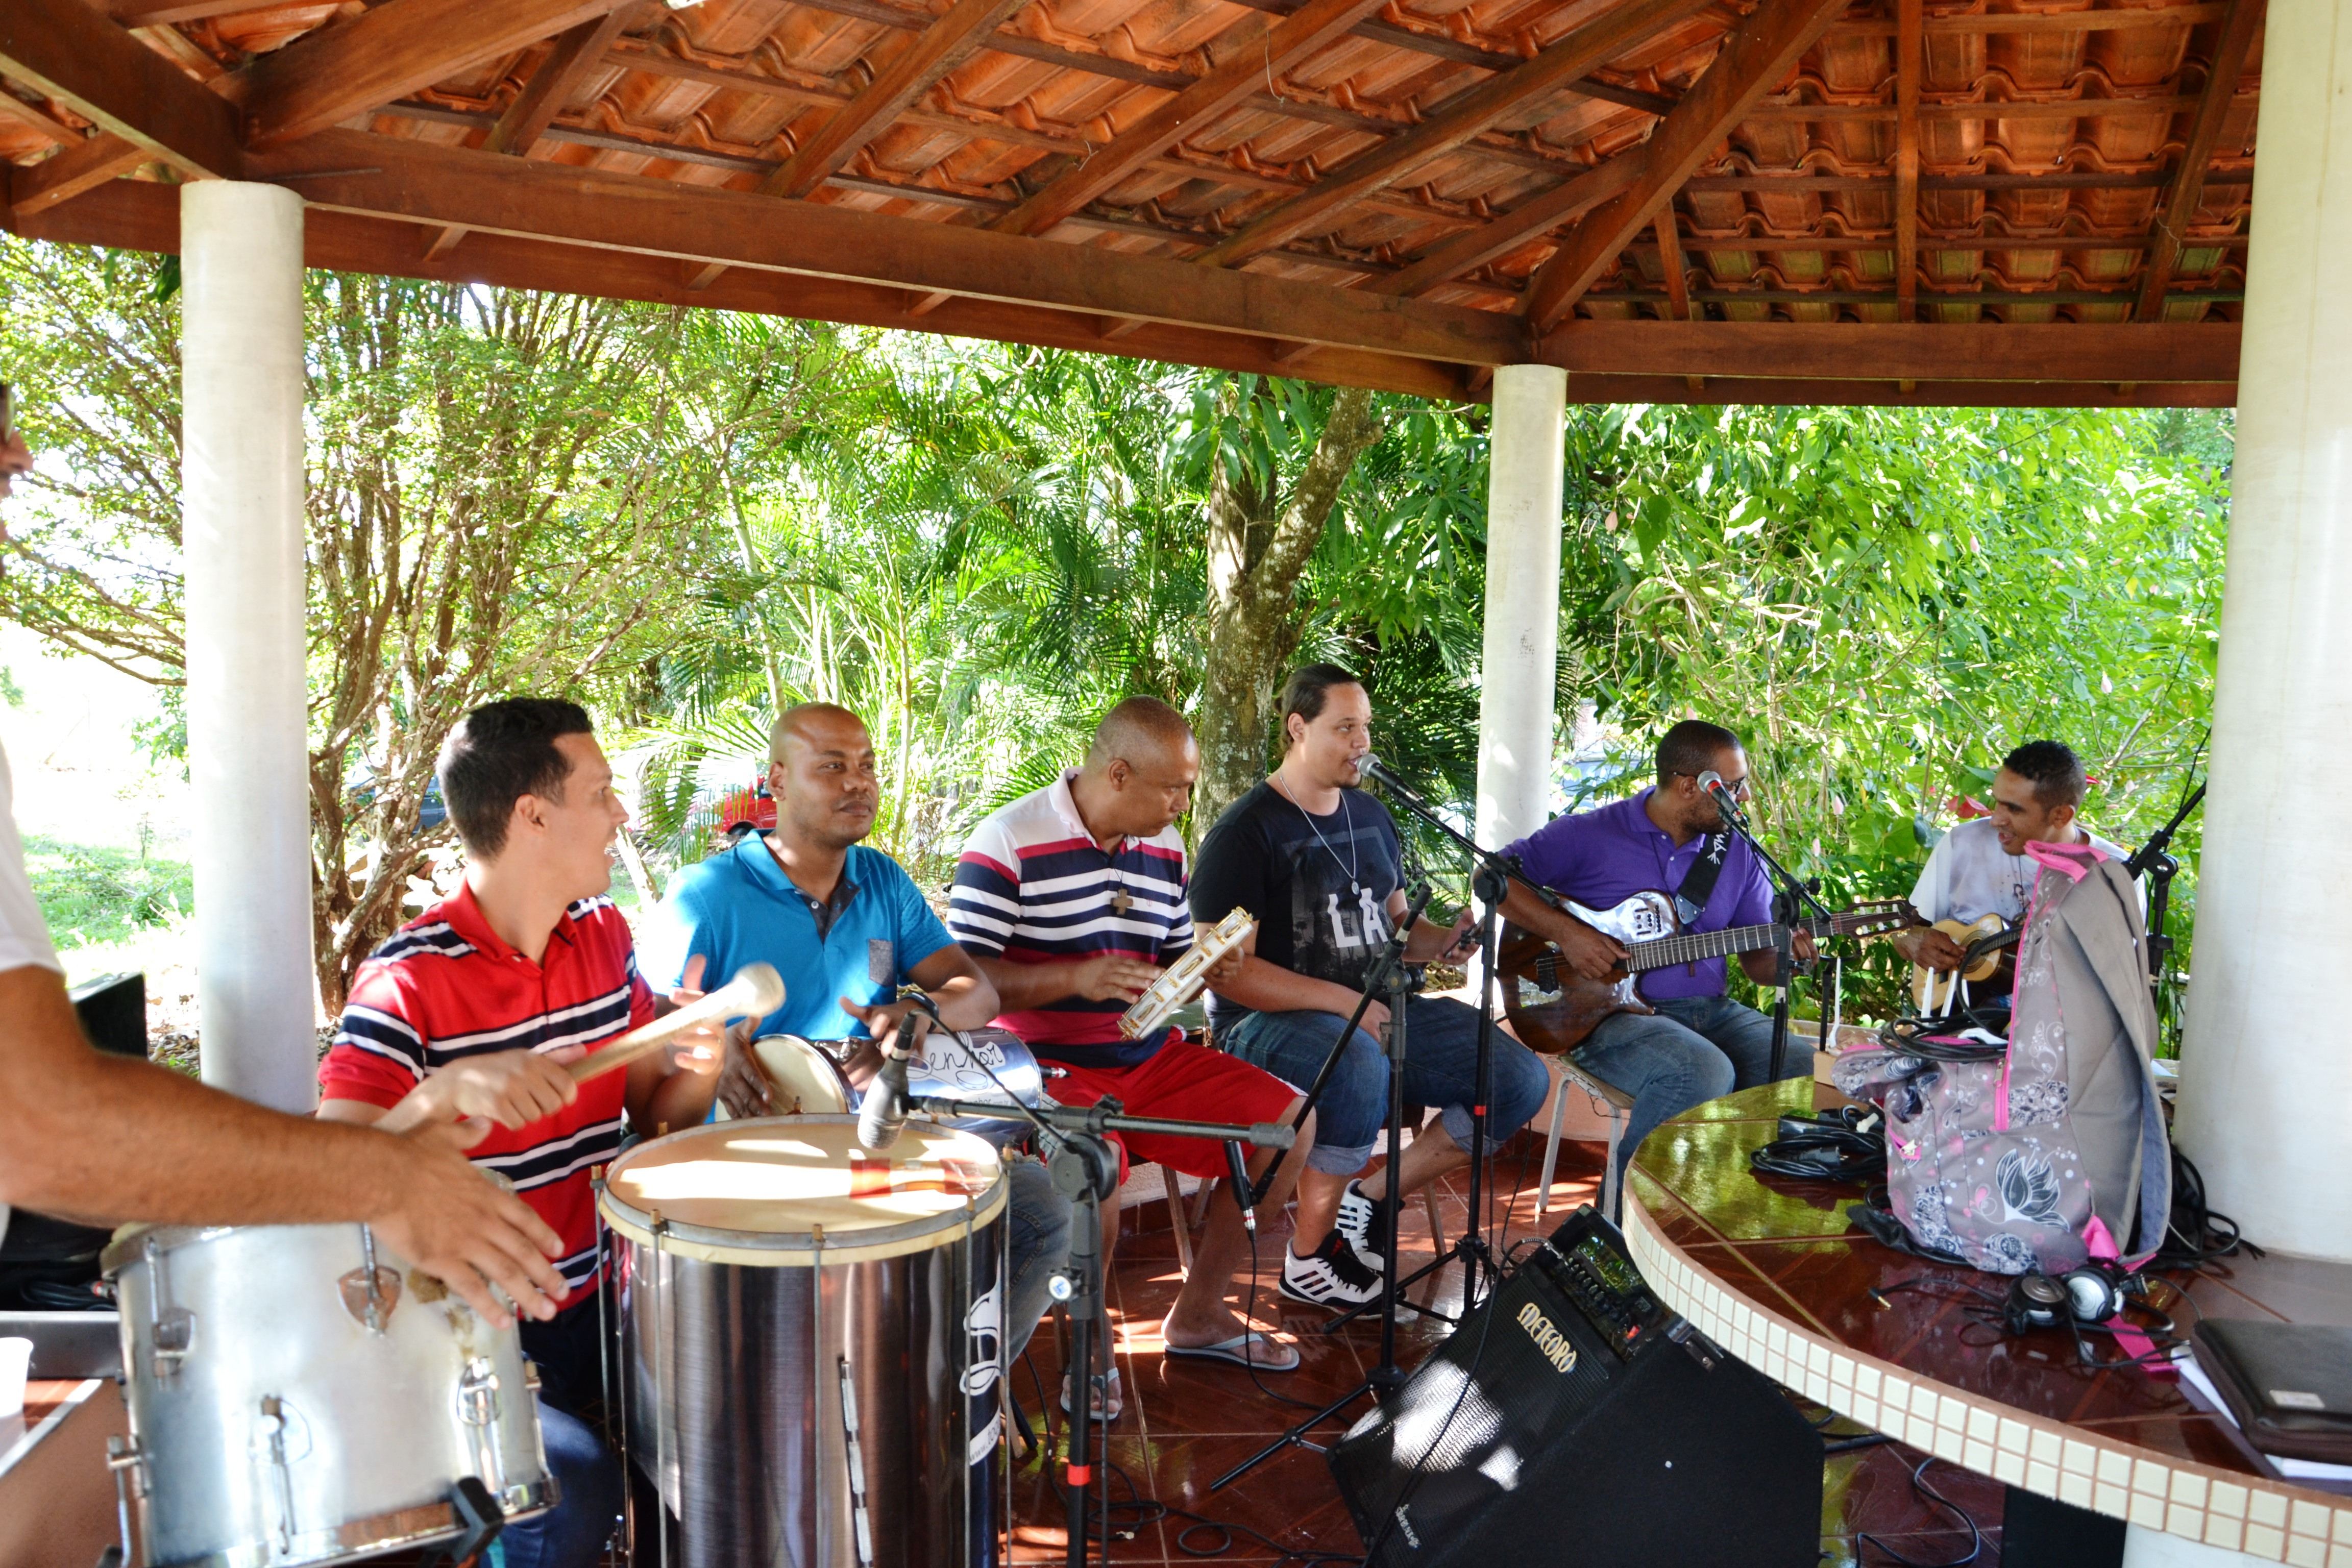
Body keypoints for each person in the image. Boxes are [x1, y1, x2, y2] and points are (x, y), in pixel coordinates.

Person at [0, 391, 574, 1336]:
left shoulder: (602, 939)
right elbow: (36, 1120)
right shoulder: (410, 975)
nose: (20, 452)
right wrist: (388, 1173)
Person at [316, 699, 725, 1568]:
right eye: (604, 793)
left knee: (717, 1450)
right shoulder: (406, 981)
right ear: (532, 816)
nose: (621, 816)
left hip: (599, 1303)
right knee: (567, 1494)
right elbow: (334, 1176)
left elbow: (658, 1119)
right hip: (467, 1334)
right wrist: (441, 1094)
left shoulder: (604, 938)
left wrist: (702, 1059)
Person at [640, 702, 1072, 1373]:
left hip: (871, 1150)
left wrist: (919, 1012)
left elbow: (977, 992)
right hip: (759, 1165)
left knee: (1040, 1216)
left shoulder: (883, 882)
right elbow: (650, 1040)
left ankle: (954, 1395)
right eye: (832, 767)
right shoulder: (705, 896)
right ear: (777, 782)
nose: (858, 783)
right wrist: (710, 1051)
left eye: (867, 766)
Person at [948, 697, 1318, 1412]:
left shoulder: (1167, 848)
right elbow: (959, 979)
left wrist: (1207, 964)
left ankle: (1202, 1314)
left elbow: (1171, 957)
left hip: (1148, 1057)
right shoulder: (1008, 840)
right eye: (1173, 788)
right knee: (1097, 1173)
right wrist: (1069, 979)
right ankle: (1087, 1354)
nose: (1184, 803)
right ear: (1118, 773)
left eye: (1188, 786)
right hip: (1043, 1067)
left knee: (1290, 1128)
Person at [1190, 665, 1551, 1309]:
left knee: (1518, 1079)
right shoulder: (1245, 834)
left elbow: (1393, 924)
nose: (1363, 742)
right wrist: (1346, 1007)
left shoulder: (1373, 816)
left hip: (1379, 1012)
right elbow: (1229, 969)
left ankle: (1371, 1197)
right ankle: (1309, 1258)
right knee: (1354, 1060)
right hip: (1262, 1028)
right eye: (1345, 727)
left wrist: (1441, 939)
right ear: (1298, 728)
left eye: (1367, 727)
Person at [1493, 719, 1814, 1181]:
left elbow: (1759, 960)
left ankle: (1729, 1198)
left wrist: (1792, 960)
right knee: (1700, 1071)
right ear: (1688, 787)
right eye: (1734, 787)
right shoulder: (1590, 834)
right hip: (1603, 1017)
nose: (1744, 798)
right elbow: (1494, 881)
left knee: (1797, 1061)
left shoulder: (1737, 849)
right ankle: (1628, 1222)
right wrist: (1569, 934)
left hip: (1710, 1010)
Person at [1891, 739, 2133, 975]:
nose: (1996, 820)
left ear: (2060, 815)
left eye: (2014, 809)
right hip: (1951, 1011)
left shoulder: (2115, 873)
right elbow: (1904, 931)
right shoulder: (1964, 843)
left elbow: (2119, 978)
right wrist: (1912, 939)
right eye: (1997, 802)